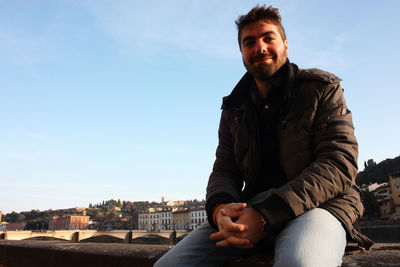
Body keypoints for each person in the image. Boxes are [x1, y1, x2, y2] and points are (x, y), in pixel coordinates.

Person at [154, 5, 372, 267]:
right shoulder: (234, 108)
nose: (260, 48)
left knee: (300, 263)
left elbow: (339, 163)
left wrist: (267, 214)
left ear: (285, 45)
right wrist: (220, 209)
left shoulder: (321, 90)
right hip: (252, 210)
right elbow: (225, 169)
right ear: (242, 53)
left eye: (268, 38)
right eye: (249, 42)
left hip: (320, 207)